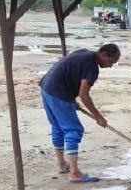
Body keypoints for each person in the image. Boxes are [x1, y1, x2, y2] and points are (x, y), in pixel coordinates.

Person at [40, 43, 120, 182]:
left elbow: (69, 74)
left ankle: (61, 164)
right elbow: (84, 95)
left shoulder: (83, 52)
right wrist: (98, 116)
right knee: (74, 129)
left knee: (58, 127)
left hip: (47, 87)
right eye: (111, 62)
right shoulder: (92, 66)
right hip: (58, 92)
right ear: (103, 54)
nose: (111, 66)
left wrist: (71, 100)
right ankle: (75, 173)